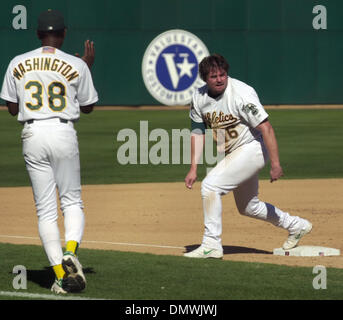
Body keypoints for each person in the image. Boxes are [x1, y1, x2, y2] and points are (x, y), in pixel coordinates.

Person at [0, 9, 98, 293]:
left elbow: (12, 108)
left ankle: (59, 275)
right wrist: (87, 66)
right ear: (64, 33)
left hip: (32, 133)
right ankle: (70, 251)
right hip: (63, 130)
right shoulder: (76, 64)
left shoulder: (18, 62)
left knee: (45, 212)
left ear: (38, 34)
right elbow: (89, 107)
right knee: (71, 201)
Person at [184, 53, 312, 259]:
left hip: (252, 149)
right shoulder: (199, 97)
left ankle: (211, 244)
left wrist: (276, 164)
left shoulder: (241, 94)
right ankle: (297, 226)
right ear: (204, 79)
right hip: (234, 153)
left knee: (210, 186)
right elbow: (197, 132)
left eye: (223, 75)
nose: (219, 79)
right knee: (248, 207)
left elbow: (267, 128)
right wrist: (193, 168)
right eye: (214, 76)